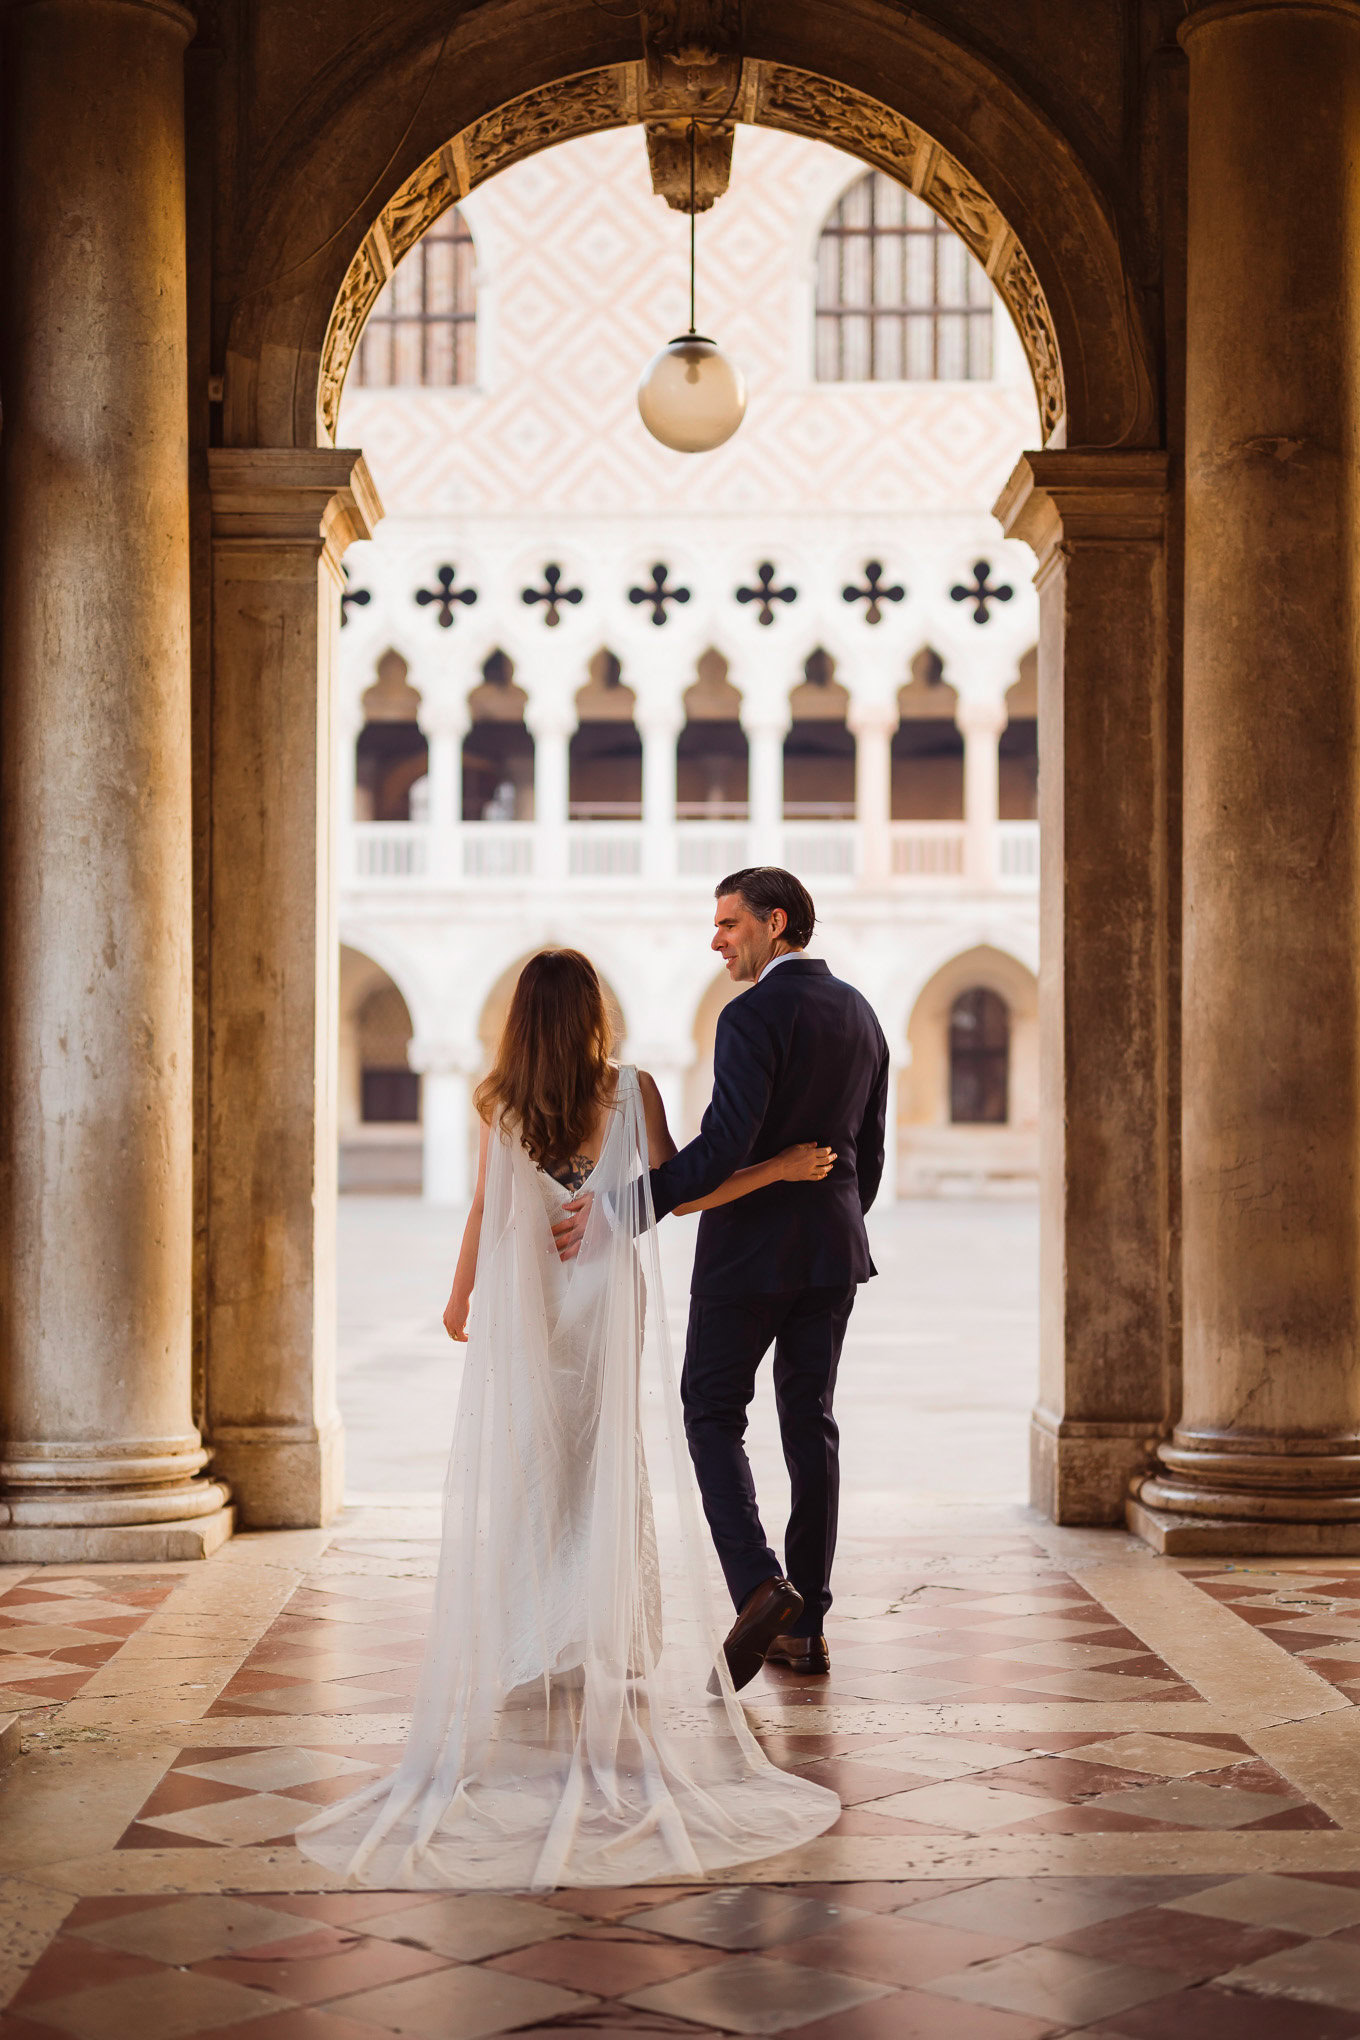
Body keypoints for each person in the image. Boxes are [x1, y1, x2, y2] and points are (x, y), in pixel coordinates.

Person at [296, 947, 839, 1891]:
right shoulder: (631, 1091)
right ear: (595, 1010)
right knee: (602, 1457)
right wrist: (782, 1168)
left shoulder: (496, 1100)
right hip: (600, 1299)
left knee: (533, 1458)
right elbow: (684, 1191)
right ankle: (602, 1632)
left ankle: (530, 1636)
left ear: (520, 1018)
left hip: (527, 1298)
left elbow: (483, 1210)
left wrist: (459, 1295)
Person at [554, 869, 889, 1690]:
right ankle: (805, 1629)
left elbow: (723, 1144)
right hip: (833, 1250)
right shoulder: (863, 1013)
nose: (717, 940)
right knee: (811, 1423)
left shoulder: (750, 1015)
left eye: (730, 924)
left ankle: (759, 1588)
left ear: (775, 923)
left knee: (710, 1414)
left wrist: (622, 1207)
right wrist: (835, 1221)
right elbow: (869, 1151)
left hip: (747, 1256)